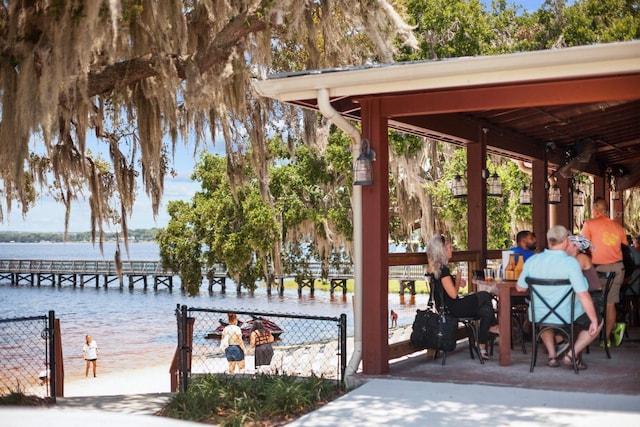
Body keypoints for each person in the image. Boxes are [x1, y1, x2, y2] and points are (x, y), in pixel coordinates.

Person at [516, 225, 602, 370]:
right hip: (566, 315)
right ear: (566, 242)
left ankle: (552, 356)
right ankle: (571, 355)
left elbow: (520, 288)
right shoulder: (571, 264)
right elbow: (583, 294)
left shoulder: (533, 261)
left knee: (544, 318)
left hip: (538, 314)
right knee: (598, 320)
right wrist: (593, 319)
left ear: (549, 241)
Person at [426, 235, 499, 360]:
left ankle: (481, 347)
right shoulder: (443, 270)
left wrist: (455, 280)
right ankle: (493, 327)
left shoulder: (433, 268)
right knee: (485, 295)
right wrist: (458, 278)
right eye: (449, 247)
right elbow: (453, 295)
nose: (452, 249)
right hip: (453, 308)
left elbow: (444, 287)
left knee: (486, 310)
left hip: (446, 307)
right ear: (442, 250)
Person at [580, 197, 627, 348]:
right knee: (610, 303)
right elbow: (624, 247)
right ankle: (605, 338)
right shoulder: (618, 227)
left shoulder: (589, 224)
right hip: (617, 268)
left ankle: (586, 336)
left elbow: (581, 246)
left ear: (595, 209)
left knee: (586, 299)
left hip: (596, 270)